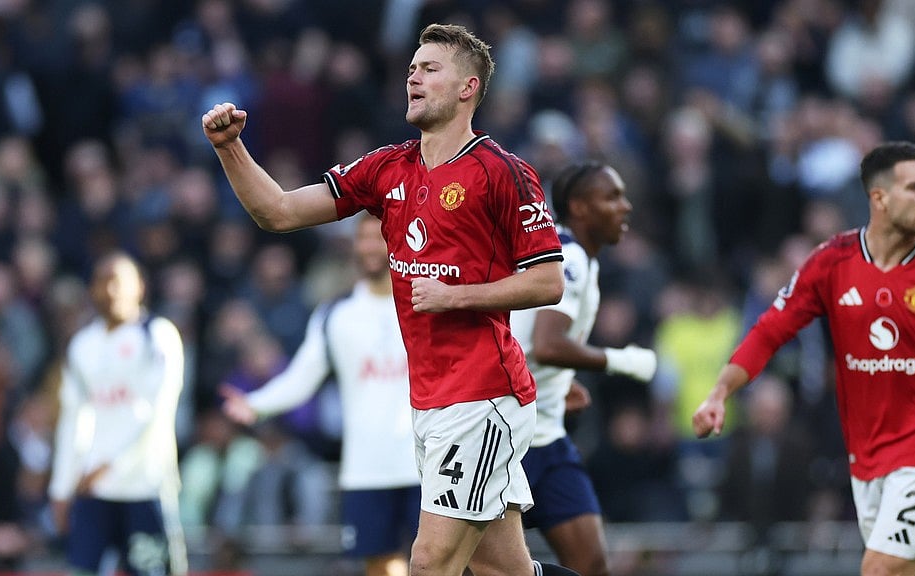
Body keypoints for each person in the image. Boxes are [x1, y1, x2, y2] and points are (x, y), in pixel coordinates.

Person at [202, 22, 577, 576]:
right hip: (429, 399)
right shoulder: (387, 168)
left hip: (483, 396)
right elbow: (278, 211)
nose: (414, 78)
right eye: (411, 69)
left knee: (426, 563)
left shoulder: (503, 173)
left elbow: (548, 281)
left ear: (467, 88)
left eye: (430, 69)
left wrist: (455, 297)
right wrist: (229, 148)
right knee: (503, 570)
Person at [692, 141, 915, 576]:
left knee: (880, 568)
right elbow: (770, 330)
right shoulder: (831, 263)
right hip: (866, 453)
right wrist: (720, 392)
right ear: (879, 198)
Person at [220, 214, 421, 576]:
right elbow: (302, 377)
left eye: (380, 237)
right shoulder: (336, 314)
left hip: (426, 464)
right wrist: (256, 404)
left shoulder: (426, 302)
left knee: (441, 563)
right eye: (364, 239)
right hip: (366, 468)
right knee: (381, 566)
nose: (372, 246)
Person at [510, 161, 656, 576]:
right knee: (491, 567)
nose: (625, 207)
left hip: (548, 436)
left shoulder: (576, 257)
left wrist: (559, 384)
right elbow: (549, 342)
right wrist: (622, 360)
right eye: (611, 197)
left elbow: (532, 344)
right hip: (508, 440)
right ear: (579, 207)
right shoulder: (567, 257)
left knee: (591, 564)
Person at [48, 252, 187, 576]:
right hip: (94, 491)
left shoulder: (158, 335)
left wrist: (110, 465)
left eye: (117, 281)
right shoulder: (82, 344)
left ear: (139, 287)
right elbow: (72, 419)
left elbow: (159, 413)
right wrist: (60, 487)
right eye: (101, 281)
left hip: (145, 485)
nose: (109, 290)